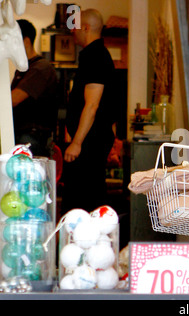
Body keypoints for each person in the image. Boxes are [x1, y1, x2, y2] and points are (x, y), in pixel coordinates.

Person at [62, 9, 117, 213]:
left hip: (89, 143)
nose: (72, 31)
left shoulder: (95, 56)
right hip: (92, 140)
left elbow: (92, 105)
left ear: (85, 28)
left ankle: (86, 241)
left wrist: (76, 143)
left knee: (83, 200)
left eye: (75, 26)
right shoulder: (94, 55)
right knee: (83, 198)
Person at [11, 19, 58, 157]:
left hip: (32, 138)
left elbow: (14, 99)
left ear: (25, 42)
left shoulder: (40, 68)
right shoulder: (24, 69)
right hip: (24, 136)